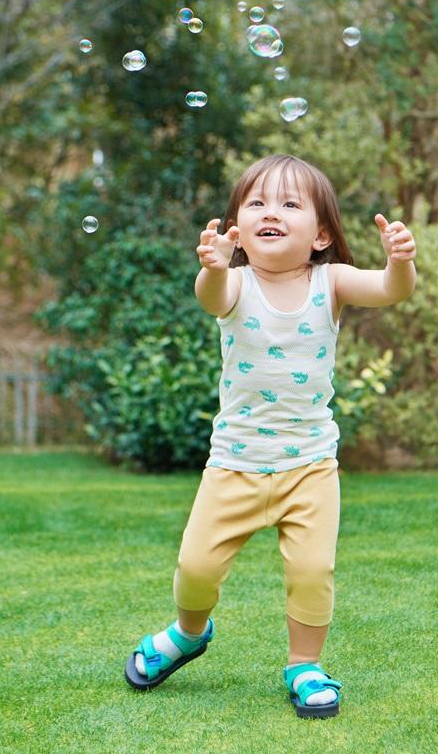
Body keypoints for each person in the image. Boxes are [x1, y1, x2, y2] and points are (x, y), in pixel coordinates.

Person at [124, 154, 417, 718]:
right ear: (238, 228)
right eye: (256, 203)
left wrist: (400, 262)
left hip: (309, 467)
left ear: (321, 234)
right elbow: (211, 298)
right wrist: (212, 266)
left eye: (289, 204)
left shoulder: (330, 281)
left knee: (311, 572)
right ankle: (188, 633)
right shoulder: (234, 283)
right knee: (195, 567)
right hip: (234, 462)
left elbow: (390, 289)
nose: (270, 212)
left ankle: (304, 664)